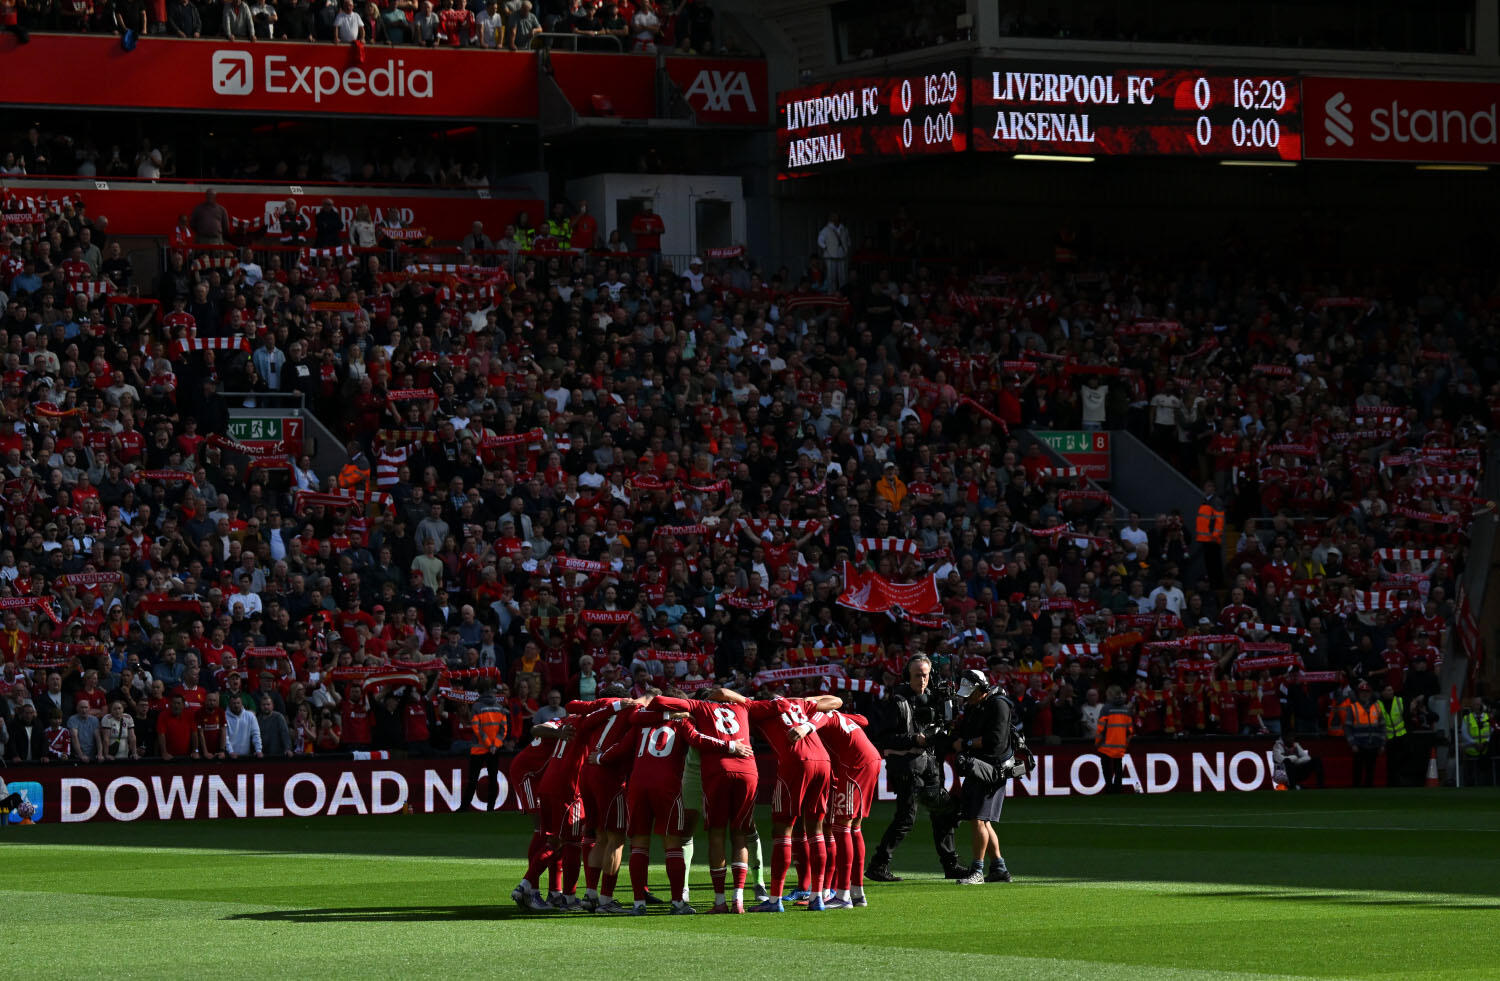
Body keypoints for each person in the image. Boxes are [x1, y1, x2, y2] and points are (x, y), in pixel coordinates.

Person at [599, 702, 746, 915]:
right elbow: (697, 739)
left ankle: (639, 904)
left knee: (639, 843)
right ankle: (678, 903)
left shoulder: (641, 724)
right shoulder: (682, 721)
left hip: (638, 785)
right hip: (667, 786)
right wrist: (731, 746)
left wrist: (601, 757)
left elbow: (621, 748)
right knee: (673, 843)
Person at [709, 687, 841, 912]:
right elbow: (836, 701)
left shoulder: (758, 708)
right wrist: (807, 706)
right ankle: (817, 897)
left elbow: (721, 692)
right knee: (816, 829)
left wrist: (741, 700)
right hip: (823, 762)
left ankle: (774, 900)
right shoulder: (798, 703)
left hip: (796, 762)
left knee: (782, 830)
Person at [653, 688, 762, 913]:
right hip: (715, 769)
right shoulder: (741, 707)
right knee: (732, 831)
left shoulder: (700, 710)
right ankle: (690, 889)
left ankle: (748, 887)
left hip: (716, 769)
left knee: (721, 832)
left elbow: (690, 732)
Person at [866, 655, 961, 882]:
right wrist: (913, 739)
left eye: (925, 675)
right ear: (908, 676)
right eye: (917, 675)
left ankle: (951, 865)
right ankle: (878, 865)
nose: (922, 680)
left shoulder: (933, 698)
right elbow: (885, 739)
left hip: (929, 763)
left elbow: (943, 730)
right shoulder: (898, 701)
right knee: (906, 817)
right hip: (906, 766)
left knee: (942, 812)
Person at [810, 706, 881, 908]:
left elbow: (814, 723)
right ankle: (857, 893)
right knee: (854, 828)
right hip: (870, 759)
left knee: (841, 827)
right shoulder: (836, 714)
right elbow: (863, 719)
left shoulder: (818, 717)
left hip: (855, 765)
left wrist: (806, 726)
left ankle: (843, 896)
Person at [950, 669, 1015, 885]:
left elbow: (995, 741)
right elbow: (965, 732)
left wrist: (966, 744)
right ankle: (999, 868)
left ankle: (977, 870)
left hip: (992, 769)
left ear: (982, 688)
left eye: (971, 693)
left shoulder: (999, 704)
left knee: (978, 819)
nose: (967, 697)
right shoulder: (975, 706)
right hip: (978, 767)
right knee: (983, 821)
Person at [466, 679, 508, 810]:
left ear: (478, 691)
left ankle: (464, 807)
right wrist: (494, 745)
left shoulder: (476, 706)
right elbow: (504, 729)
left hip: (478, 749)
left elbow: (476, 728)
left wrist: (489, 744)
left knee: (472, 780)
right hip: (494, 750)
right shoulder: (499, 707)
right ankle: (491, 808)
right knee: (493, 779)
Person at [1345, 681, 1385, 788]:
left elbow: (1382, 727)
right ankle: (1356, 792)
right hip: (1359, 745)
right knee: (1357, 771)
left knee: (1370, 771)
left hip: (1373, 744)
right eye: (1362, 692)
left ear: (1370, 693)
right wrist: (1352, 743)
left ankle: (1369, 792)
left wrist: (1382, 744)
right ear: (1358, 693)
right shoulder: (1353, 707)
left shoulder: (1377, 707)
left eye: (1367, 692)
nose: (1364, 694)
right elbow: (1348, 728)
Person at [1095, 685, 1132, 794]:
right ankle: (1118, 789)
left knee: (1106, 768)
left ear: (1111, 695)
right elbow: (1129, 731)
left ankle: (1109, 788)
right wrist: (1125, 744)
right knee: (1118, 767)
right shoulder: (1126, 709)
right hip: (1120, 745)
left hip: (1106, 745)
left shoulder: (1106, 709)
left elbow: (1101, 729)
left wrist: (1097, 743)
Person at [1458, 697, 1492, 787]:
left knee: (1485, 773)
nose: (1477, 706)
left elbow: (1492, 731)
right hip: (1472, 749)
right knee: (1470, 772)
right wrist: (1475, 743)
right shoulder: (1467, 718)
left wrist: (1485, 743)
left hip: (1486, 749)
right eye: (1475, 704)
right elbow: (1464, 734)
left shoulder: (1488, 717)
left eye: (1479, 704)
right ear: (1472, 706)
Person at [816, 212, 850, 293]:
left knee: (843, 276)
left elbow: (848, 240)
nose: (835, 219)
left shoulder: (844, 229)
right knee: (831, 277)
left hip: (842, 254)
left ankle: (843, 293)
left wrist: (846, 248)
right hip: (830, 255)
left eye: (837, 217)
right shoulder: (826, 229)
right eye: (833, 217)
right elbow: (820, 240)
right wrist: (826, 248)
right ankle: (831, 293)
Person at [225, 693, 263, 758]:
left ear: (242, 703)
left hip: (246, 756)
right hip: (229, 757)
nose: (236, 705)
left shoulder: (250, 716)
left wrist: (258, 750)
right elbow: (225, 738)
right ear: (229, 704)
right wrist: (230, 752)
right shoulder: (224, 716)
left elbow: (256, 734)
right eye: (234, 703)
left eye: (238, 703)